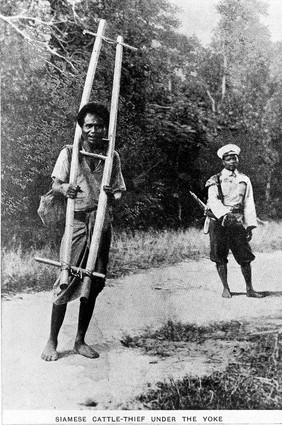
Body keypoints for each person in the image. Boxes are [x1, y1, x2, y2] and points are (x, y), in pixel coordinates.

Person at [41, 102, 126, 361]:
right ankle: (52, 341)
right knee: (66, 277)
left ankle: (80, 340)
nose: (93, 130)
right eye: (88, 125)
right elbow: (56, 185)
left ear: (105, 128)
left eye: (98, 125)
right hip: (76, 222)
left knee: (93, 282)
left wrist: (114, 194)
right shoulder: (69, 153)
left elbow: (120, 190)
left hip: (100, 224)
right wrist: (64, 189)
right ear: (81, 127)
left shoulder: (113, 156)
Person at [205, 143, 263, 299]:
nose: (232, 162)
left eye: (235, 158)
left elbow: (249, 203)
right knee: (220, 255)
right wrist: (224, 215)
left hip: (237, 222)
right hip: (219, 221)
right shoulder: (215, 180)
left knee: (245, 256)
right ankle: (226, 288)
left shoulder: (244, 179)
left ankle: (249, 289)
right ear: (223, 161)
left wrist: (250, 226)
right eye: (229, 159)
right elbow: (213, 200)